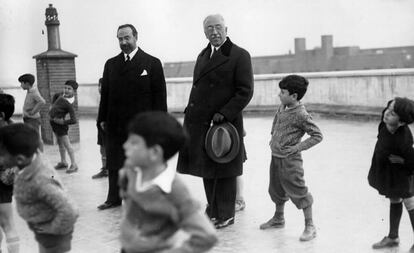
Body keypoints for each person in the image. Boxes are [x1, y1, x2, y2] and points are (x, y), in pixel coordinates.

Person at [177, 14, 254, 229]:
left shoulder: (239, 55)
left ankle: (226, 213)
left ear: (226, 29)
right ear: (204, 32)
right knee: (206, 168)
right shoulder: (203, 56)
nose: (214, 32)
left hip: (224, 125)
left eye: (218, 27)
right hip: (201, 123)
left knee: (225, 169)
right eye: (209, 28)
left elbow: (245, 91)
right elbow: (198, 90)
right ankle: (213, 209)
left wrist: (225, 113)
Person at [118, 111, 217, 253]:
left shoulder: (175, 191)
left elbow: (207, 236)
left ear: (155, 152)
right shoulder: (130, 172)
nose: (125, 145)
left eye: (134, 142)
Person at [97, 24, 167, 210]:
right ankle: (113, 198)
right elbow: (106, 95)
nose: (123, 42)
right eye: (120, 39)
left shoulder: (152, 63)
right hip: (116, 123)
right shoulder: (111, 64)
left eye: (127, 38)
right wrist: (102, 118)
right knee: (115, 161)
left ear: (136, 37)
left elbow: (160, 97)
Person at [259, 75, 323, 242]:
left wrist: (296, 148)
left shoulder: (301, 114)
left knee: (298, 190)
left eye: (282, 92)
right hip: (275, 157)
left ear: (294, 96)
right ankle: (278, 218)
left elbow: (317, 135)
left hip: (290, 161)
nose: (279, 95)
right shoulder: (283, 106)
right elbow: (277, 119)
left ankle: (310, 226)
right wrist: (273, 136)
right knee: (276, 189)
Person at [0, 123, 78, 253]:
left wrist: (51, 229)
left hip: (54, 238)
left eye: (1, 155)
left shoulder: (41, 181)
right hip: (44, 231)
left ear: (19, 159)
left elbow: (70, 210)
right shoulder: (30, 159)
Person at [368, 97, 414, 252]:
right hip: (389, 173)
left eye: (393, 113)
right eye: (388, 108)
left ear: (401, 122)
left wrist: (403, 162)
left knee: (410, 204)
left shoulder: (404, 140)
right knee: (394, 198)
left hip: (403, 175)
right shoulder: (385, 123)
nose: (387, 113)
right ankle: (393, 237)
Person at [0, 93, 19, 253]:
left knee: (8, 224)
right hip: (6, 184)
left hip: (2, 185)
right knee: (7, 224)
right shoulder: (14, 129)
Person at [49, 80, 79, 174]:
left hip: (61, 126)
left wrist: (63, 122)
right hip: (54, 124)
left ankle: (74, 164)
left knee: (67, 145)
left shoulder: (70, 104)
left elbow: (74, 120)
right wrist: (52, 105)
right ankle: (63, 162)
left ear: (74, 91)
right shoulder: (62, 94)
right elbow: (56, 96)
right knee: (60, 144)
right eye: (65, 87)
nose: (66, 90)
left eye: (69, 89)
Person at [18, 73, 46, 152]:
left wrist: (33, 111)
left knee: (36, 137)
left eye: (21, 83)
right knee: (31, 136)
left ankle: (41, 154)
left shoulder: (33, 92)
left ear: (27, 83)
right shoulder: (30, 91)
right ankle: (35, 152)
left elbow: (42, 102)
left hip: (32, 119)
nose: (21, 85)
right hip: (29, 118)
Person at [92, 78, 108, 179]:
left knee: (108, 149)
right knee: (102, 149)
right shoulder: (101, 98)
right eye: (99, 85)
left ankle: (109, 169)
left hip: (107, 129)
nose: (100, 88)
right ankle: (104, 169)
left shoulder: (110, 99)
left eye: (102, 86)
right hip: (101, 129)